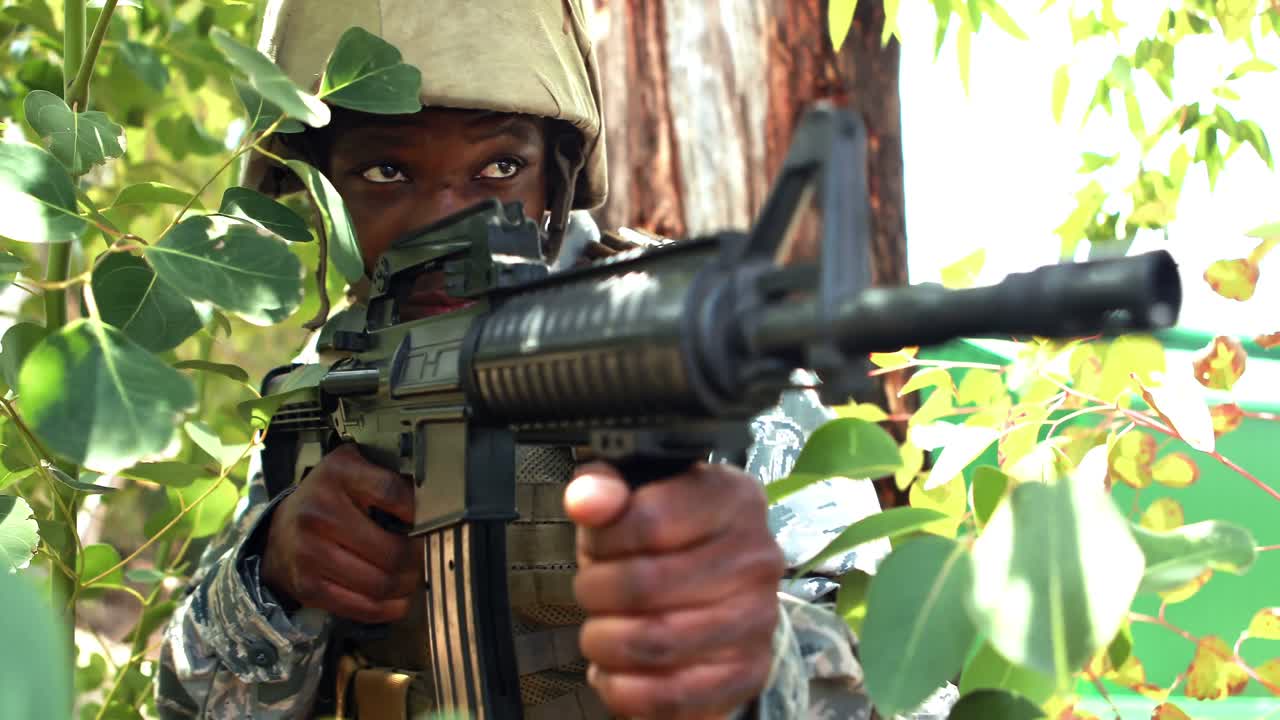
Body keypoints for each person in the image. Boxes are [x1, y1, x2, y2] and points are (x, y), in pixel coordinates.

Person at [157, 2, 953, 718]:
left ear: (558, 177)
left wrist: (755, 660)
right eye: (385, 172)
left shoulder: (684, 342)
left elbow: (909, 691)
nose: (450, 225)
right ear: (316, 188)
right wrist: (274, 574)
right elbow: (184, 700)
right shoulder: (337, 377)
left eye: (499, 167)